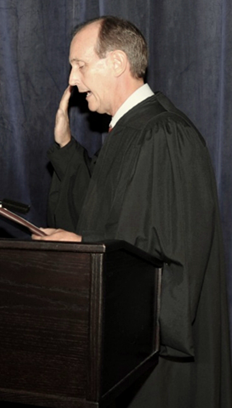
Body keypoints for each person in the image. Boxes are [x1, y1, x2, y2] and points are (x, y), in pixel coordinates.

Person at [33, 16, 232, 407]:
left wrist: (85, 243)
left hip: (155, 366)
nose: (73, 80)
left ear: (118, 63)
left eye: (80, 65)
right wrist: (66, 148)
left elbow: (166, 257)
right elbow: (99, 214)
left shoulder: (164, 134)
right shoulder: (131, 132)